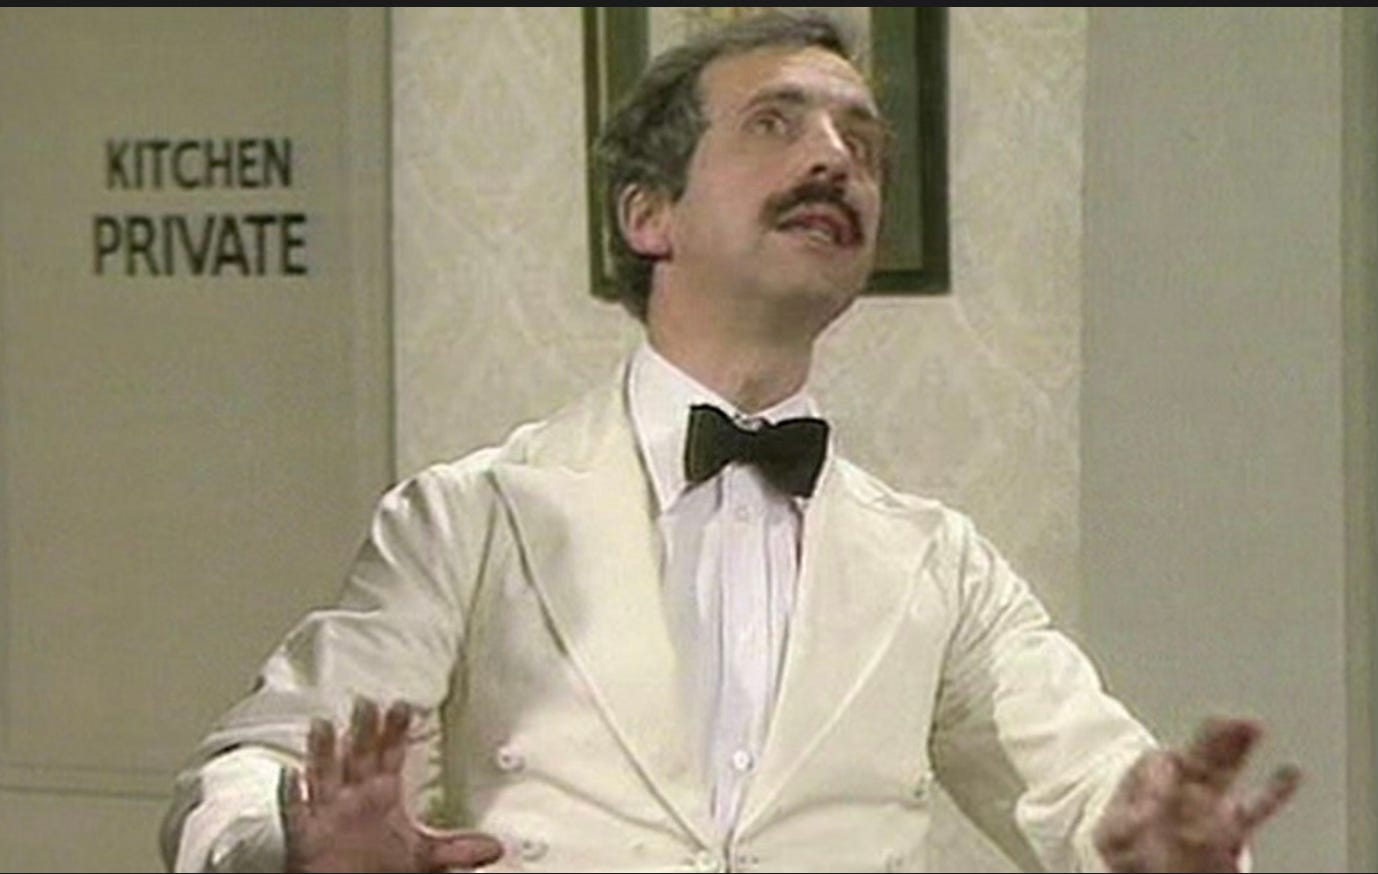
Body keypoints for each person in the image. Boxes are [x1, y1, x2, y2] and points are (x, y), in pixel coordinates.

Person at [160, 11, 1300, 873]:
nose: (836, 159)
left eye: (862, 142)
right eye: (775, 124)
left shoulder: (940, 565)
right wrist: (291, 847)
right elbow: (237, 779)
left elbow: (1100, 790)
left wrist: (1172, 851)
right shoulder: (472, 514)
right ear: (648, 215)